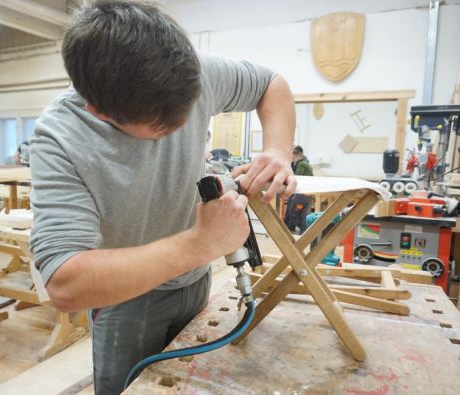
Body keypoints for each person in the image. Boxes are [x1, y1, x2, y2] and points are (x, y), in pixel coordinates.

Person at [29, 1, 296, 393]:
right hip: (125, 299)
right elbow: (65, 284)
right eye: (161, 126)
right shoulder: (60, 137)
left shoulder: (194, 71)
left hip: (195, 280)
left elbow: (272, 83)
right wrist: (201, 242)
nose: (185, 128)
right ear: (99, 111)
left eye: (188, 112)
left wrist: (278, 151)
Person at [285, 145, 314, 234]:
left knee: (294, 212)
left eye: (292, 156)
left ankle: (301, 231)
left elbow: (296, 178)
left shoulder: (301, 164)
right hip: (306, 193)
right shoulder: (304, 163)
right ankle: (302, 231)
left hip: (302, 193)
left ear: (296, 154)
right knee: (303, 213)